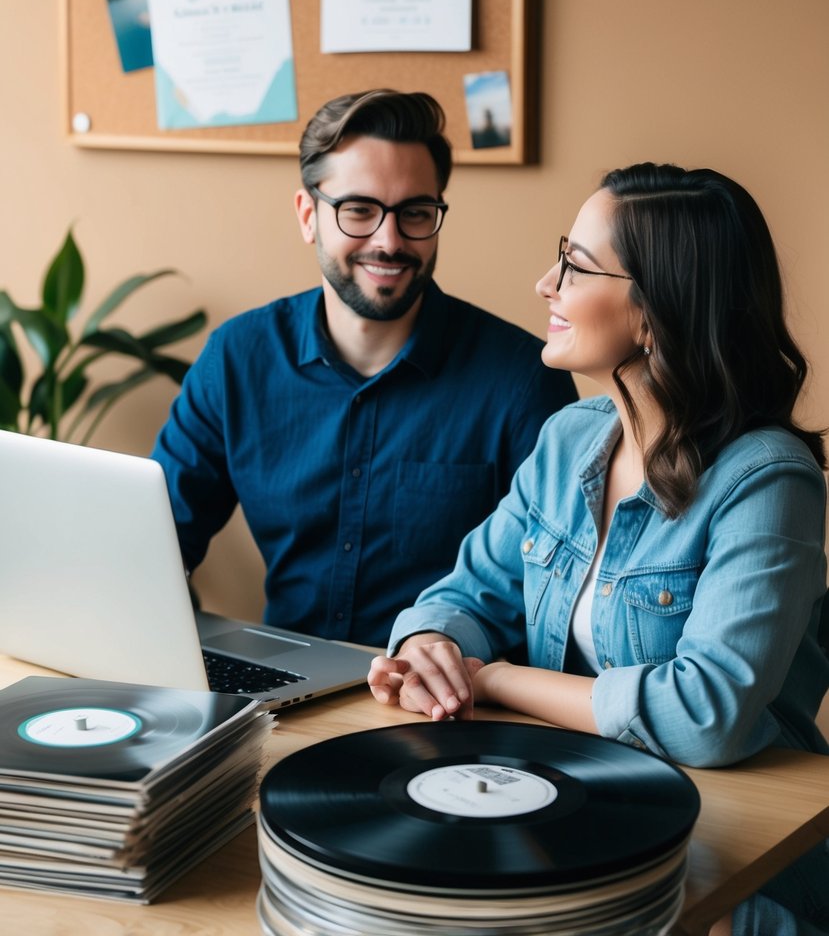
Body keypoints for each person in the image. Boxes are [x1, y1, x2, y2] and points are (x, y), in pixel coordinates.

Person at [369, 162, 829, 936]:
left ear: (656, 311)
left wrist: (499, 679)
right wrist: (430, 647)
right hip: (584, 819)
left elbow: (703, 714)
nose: (546, 282)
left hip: (739, 867)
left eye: (576, 266)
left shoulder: (767, 480)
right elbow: (467, 592)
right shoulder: (568, 438)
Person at [151, 89, 576, 648]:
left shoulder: (522, 381)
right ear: (309, 216)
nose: (389, 240)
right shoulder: (237, 360)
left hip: (449, 705)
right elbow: (154, 543)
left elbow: (554, 595)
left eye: (416, 213)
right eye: (358, 210)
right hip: (282, 690)